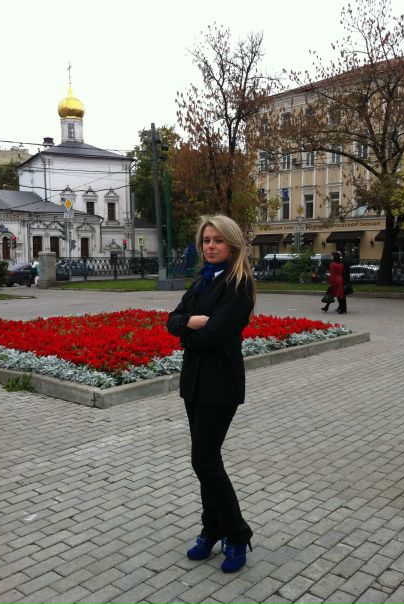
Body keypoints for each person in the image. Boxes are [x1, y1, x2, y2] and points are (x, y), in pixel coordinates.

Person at [167, 214, 255, 573]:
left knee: (204, 461)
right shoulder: (202, 280)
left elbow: (216, 335)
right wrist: (189, 322)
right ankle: (212, 527)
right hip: (195, 383)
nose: (211, 246)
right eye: (206, 240)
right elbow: (172, 320)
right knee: (208, 461)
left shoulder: (239, 285)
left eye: (218, 240)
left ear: (232, 245)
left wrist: (187, 332)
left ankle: (236, 533)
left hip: (221, 385)